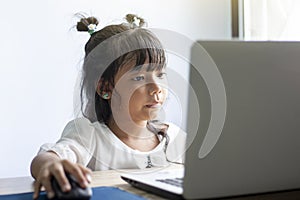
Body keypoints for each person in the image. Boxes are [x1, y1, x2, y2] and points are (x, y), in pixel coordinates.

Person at [30, 14, 186, 199]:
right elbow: (47, 158)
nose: (156, 88)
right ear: (105, 88)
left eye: (160, 75)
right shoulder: (89, 136)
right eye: (139, 78)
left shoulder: (173, 138)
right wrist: (49, 164)